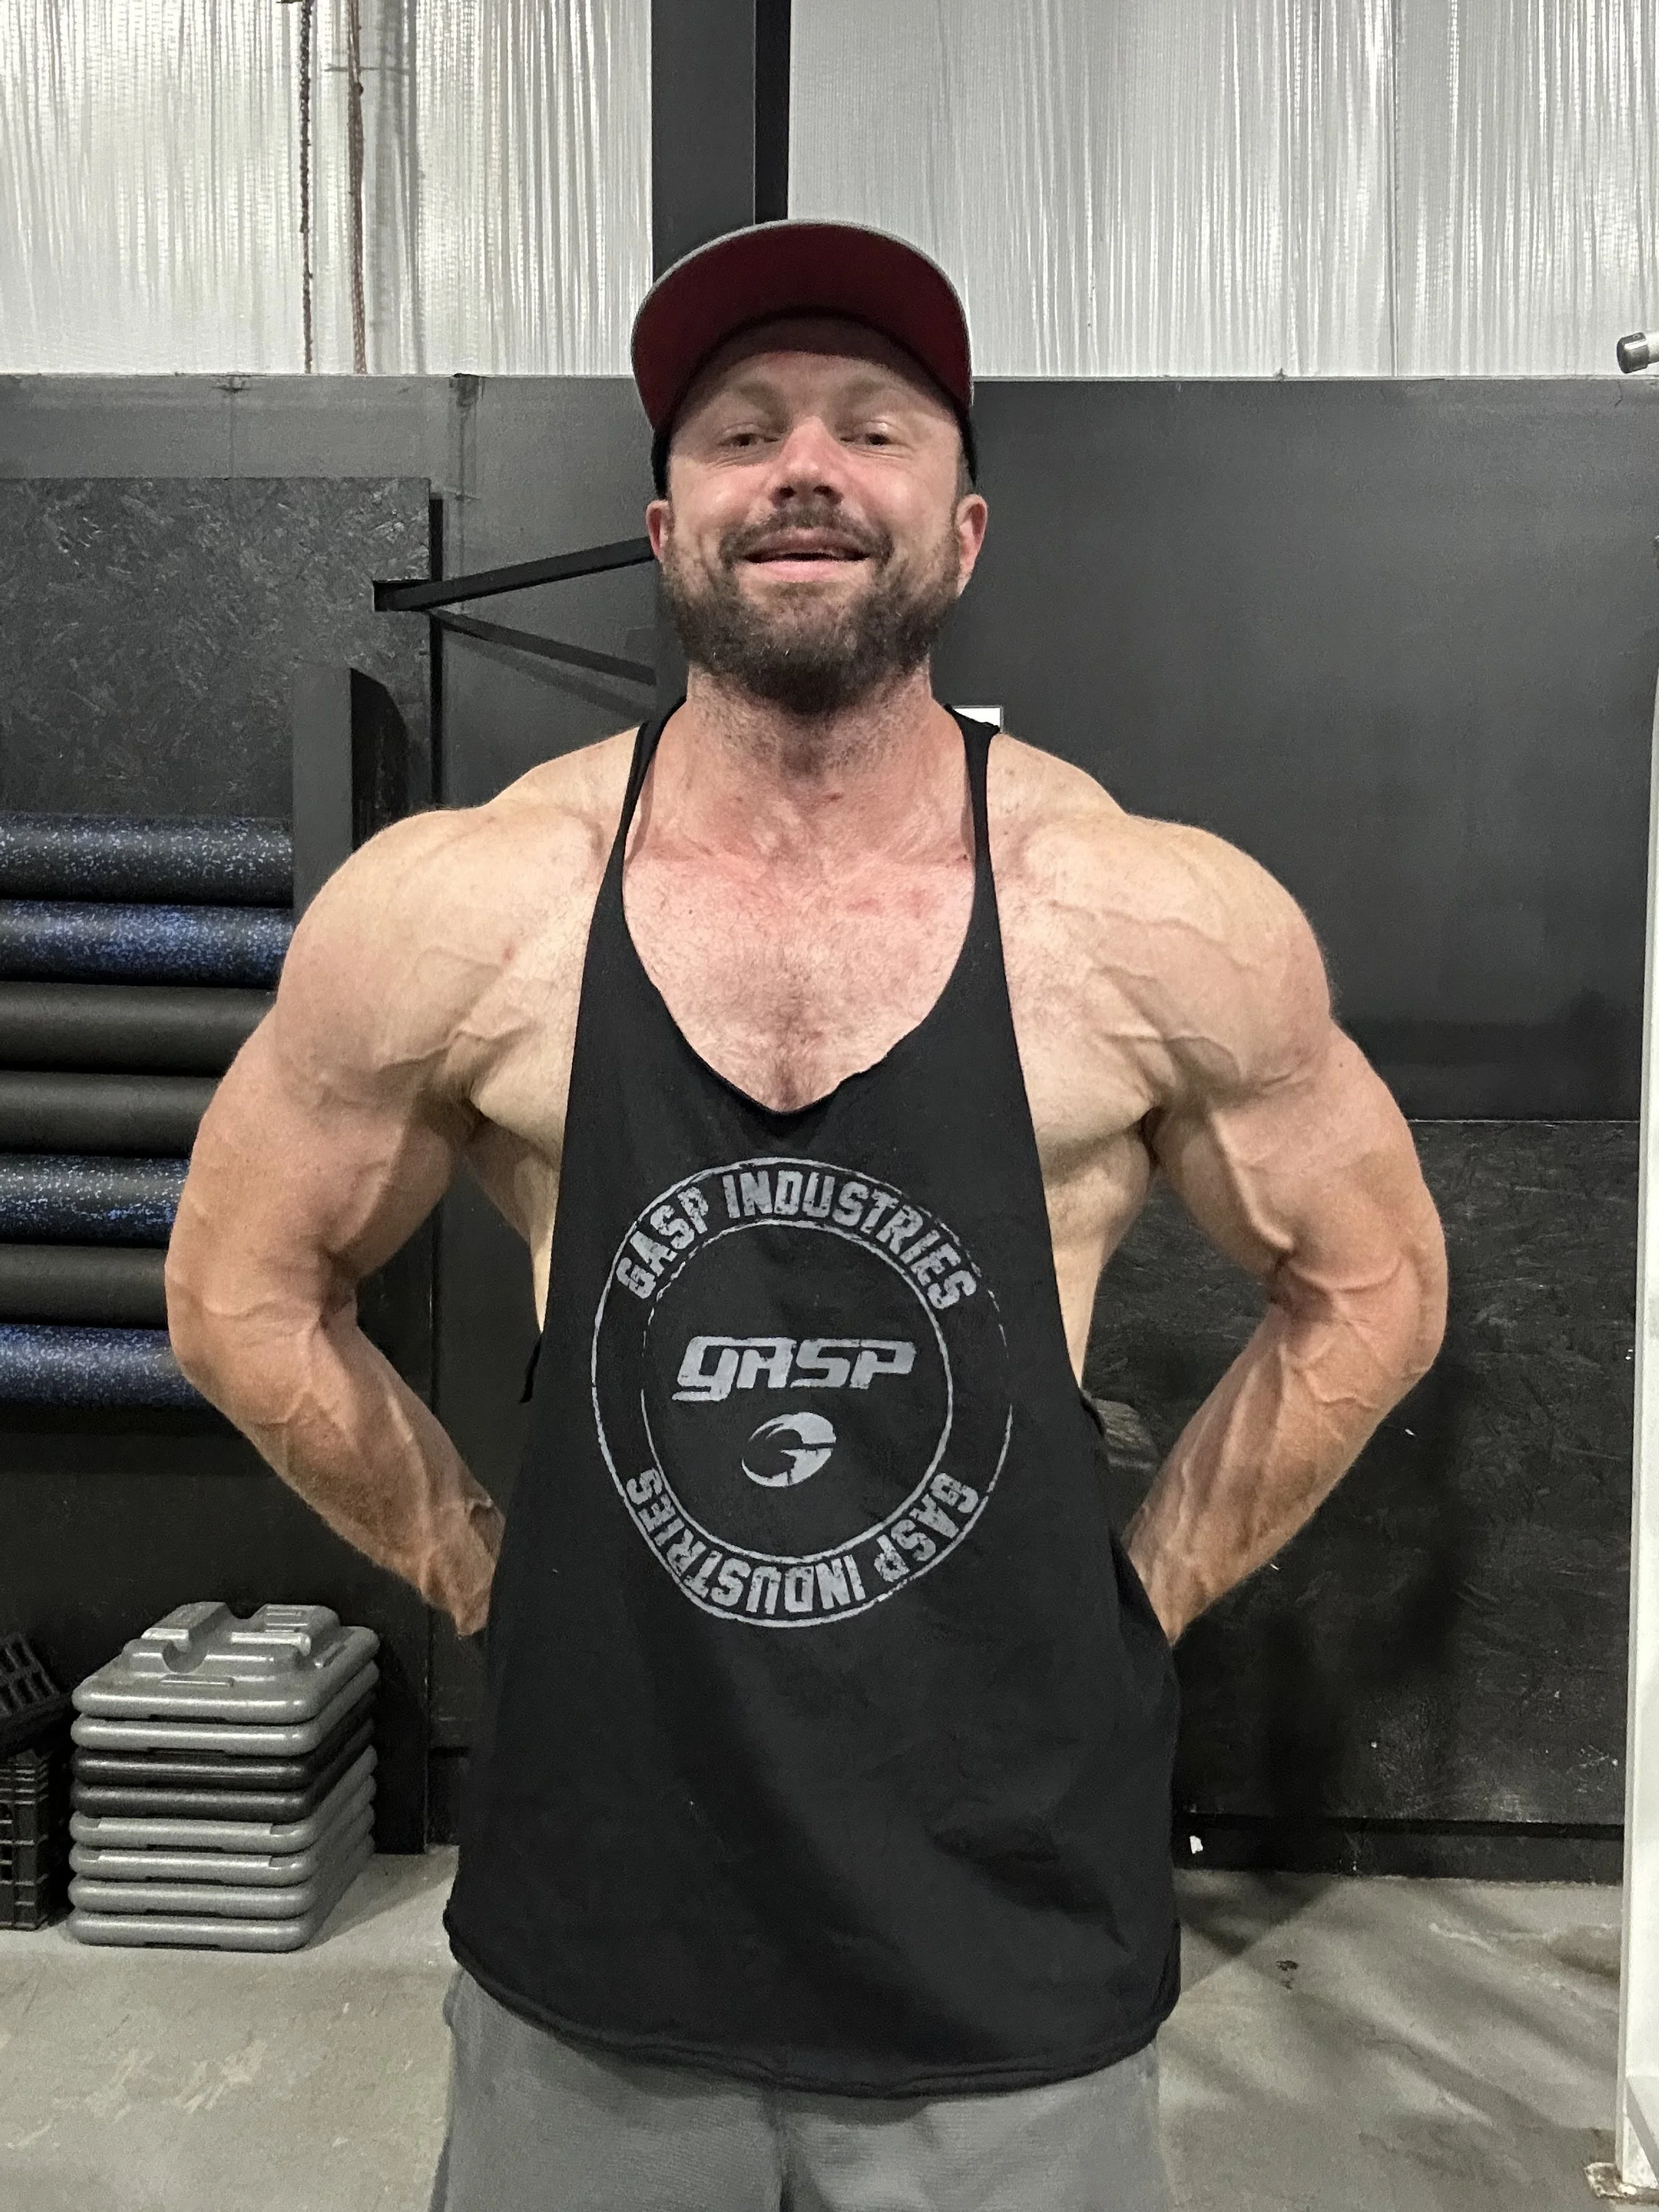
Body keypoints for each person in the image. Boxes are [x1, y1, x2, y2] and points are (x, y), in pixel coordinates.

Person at [167, 220, 1447, 2211]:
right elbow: (236, 1286)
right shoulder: (464, 904)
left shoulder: (1150, 913)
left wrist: (1139, 1596)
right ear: (664, 524)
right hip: (595, 1935)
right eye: (743, 430)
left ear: (965, 528)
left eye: (874, 426)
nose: (807, 469)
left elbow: (1373, 1283)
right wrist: (484, 1572)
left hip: (1007, 1943)